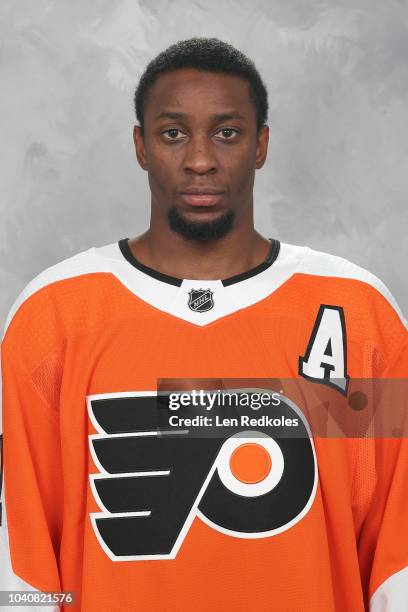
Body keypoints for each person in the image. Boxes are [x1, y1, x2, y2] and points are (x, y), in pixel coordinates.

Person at [1, 37, 407, 612]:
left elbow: (397, 548)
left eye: (227, 132)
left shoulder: (359, 313)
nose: (199, 160)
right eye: (172, 133)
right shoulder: (54, 315)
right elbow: (23, 559)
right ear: (140, 146)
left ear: (261, 144)